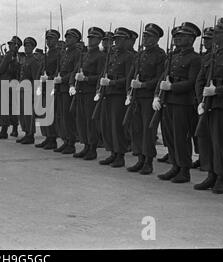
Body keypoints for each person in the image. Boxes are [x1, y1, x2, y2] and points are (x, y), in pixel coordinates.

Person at [154, 22, 201, 183]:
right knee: (170, 136)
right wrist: (157, 95)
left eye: (182, 36)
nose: (177, 38)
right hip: (168, 101)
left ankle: (184, 170)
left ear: (191, 39)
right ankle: (175, 165)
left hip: (183, 103)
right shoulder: (173, 56)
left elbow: (192, 82)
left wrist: (172, 87)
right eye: (176, 36)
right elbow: (162, 77)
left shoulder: (194, 59)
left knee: (181, 137)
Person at [126, 23, 166, 175]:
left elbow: (159, 78)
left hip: (149, 97)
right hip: (136, 96)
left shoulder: (160, 55)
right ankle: (140, 158)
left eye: (149, 36)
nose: (145, 39)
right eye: (145, 36)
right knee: (136, 128)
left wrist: (143, 85)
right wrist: (129, 91)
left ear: (156, 39)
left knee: (148, 130)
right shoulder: (140, 55)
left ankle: (148, 161)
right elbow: (132, 73)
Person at [194, 18, 223, 194]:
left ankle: (222, 176)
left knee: (220, 142)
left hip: (221, 105)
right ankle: (211, 174)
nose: (216, 35)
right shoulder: (211, 56)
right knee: (208, 141)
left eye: (219, 33)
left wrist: (218, 91)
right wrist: (201, 100)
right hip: (208, 105)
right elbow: (200, 79)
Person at [98, 27, 134, 168]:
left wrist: (112, 82)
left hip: (119, 95)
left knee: (117, 126)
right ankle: (112, 152)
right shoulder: (111, 55)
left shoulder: (129, 57)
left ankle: (120, 155)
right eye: (115, 39)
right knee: (107, 125)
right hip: (108, 93)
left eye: (120, 39)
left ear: (126, 41)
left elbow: (128, 78)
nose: (116, 42)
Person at [70, 27, 106, 160]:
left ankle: (92, 148)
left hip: (90, 92)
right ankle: (86, 145)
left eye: (94, 38)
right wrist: (72, 84)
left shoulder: (101, 56)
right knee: (81, 120)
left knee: (91, 121)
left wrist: (86, 79)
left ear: (99, 40)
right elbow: (75, 71)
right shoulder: (84, 55)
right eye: (89, 38)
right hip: (80, 91)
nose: (91, 40)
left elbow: (100, 76)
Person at [54, 28, 82, 154]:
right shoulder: (64, 53)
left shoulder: (77, 53)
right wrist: (56, 78)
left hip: (68, 88)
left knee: (68, 116)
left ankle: (71, 142)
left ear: (77, 39)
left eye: (70, 37)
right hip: (60, 87)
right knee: (62, 116)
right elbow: (59, 68)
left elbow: (74, 71)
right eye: (67, 37)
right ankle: (65, 140)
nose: (67, 40)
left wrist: (63, 79)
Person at [0, 36, 21, 139]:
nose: (9, 46)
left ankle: (4, 131)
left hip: (4, 83)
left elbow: (1, 69)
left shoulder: (9, 55)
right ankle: (15, 129)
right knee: (12, 107)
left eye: (11, 44)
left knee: (3, 107)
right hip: (14, 83)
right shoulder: (18, 56)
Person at [35, 29, 61, 150]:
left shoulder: (58, 54)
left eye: (51, 39)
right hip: (44, 85)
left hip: (51, 85)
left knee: (50, 114)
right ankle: (47, 136)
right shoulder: (47, 54)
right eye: (47, 39)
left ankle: (52, 139)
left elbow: (58, 71)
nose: (48, 41)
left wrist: (50, 78)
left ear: (56, 40)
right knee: (43, 113)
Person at [16, 37, 41, 144]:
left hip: (29, 90)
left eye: (29, 46)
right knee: (23, 114)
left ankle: (30, 135)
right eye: (25, 46)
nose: (26, 48)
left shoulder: (34, 61)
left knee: (29, 114)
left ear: (33, 47)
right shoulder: (25, 59)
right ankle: (26, 132)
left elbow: (35, 78)